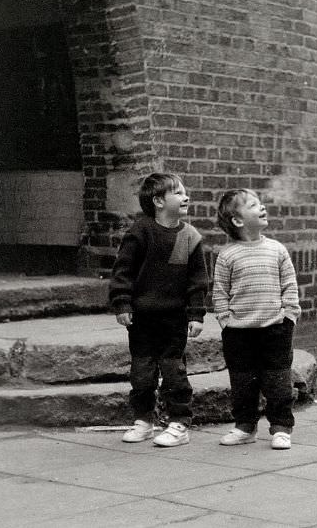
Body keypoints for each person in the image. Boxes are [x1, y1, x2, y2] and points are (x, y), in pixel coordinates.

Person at [109, 173, 208, 447]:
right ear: (158, 201)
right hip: (141, 319)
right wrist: (122, 303)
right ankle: (144, 421)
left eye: (184, 192)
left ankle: (179, 423)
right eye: (177, 193)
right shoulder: (140, 232)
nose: (185, 196)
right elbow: (123, 271)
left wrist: (197, 314)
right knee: (142, 372)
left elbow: (197, 281)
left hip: (174, 319)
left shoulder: (190, 237)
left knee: (174, 371)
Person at [212, 188, 301, 450]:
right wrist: (225, 321)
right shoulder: (227, 255)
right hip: (239, 332)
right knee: (242, 383)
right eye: (253, 205)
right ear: (238, 221)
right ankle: (245, 426)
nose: (262, 207)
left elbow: (289, 285)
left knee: (278, 382)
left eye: (260, 203)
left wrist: (289, 316)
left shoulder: (276, 249)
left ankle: (282, 427)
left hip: (275, 328)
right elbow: (220, 292)